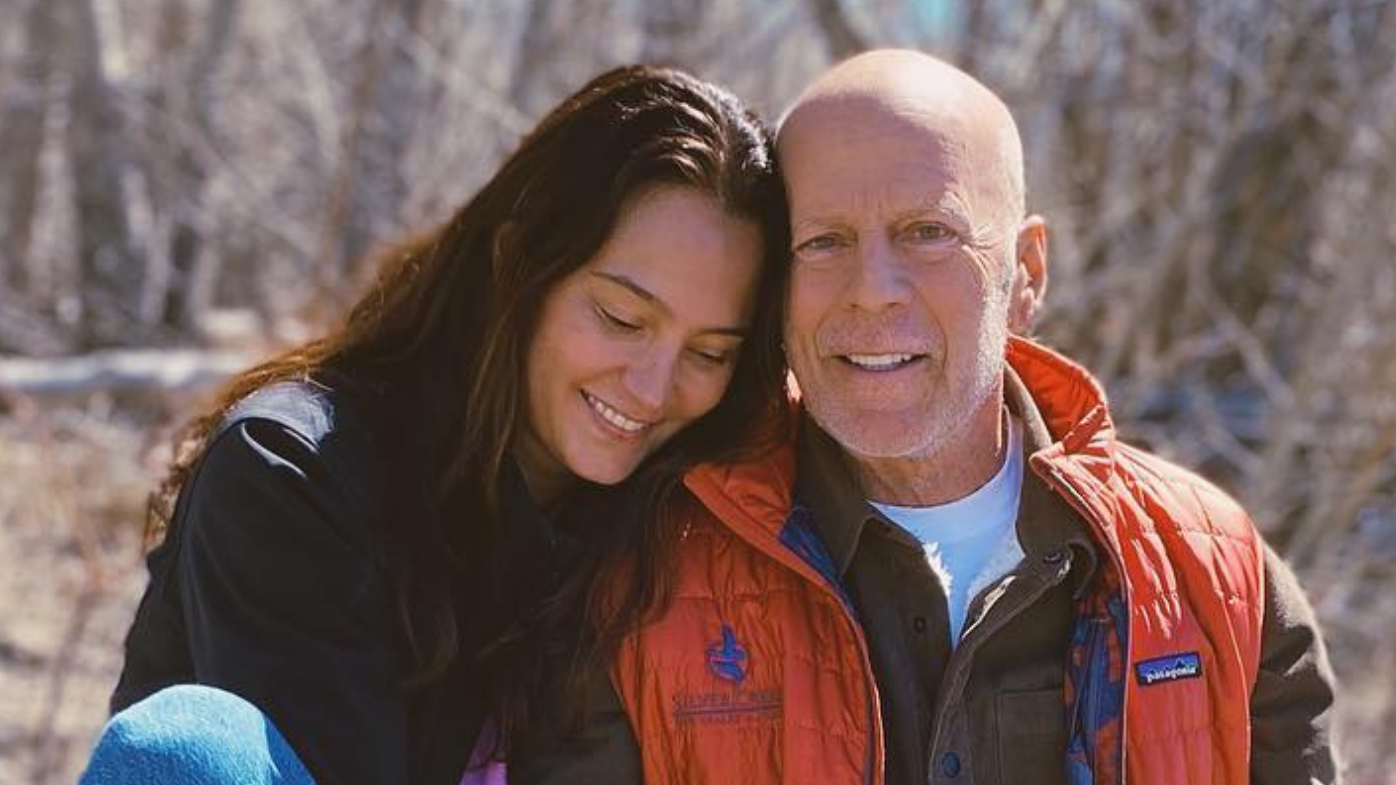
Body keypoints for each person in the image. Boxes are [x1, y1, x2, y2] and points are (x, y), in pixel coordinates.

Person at [606, 50, 1340, 784]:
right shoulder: (644, 578)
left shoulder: (1216, 575)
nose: (872, 291)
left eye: (928, 232)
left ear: (1027, 273)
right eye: (823, 241)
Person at [79, 64, 791, 785]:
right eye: (621, 317)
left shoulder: (679, 522)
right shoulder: (294, 477)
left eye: (709, 352)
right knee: (193, 747)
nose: (652, 388)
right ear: (516, 263)